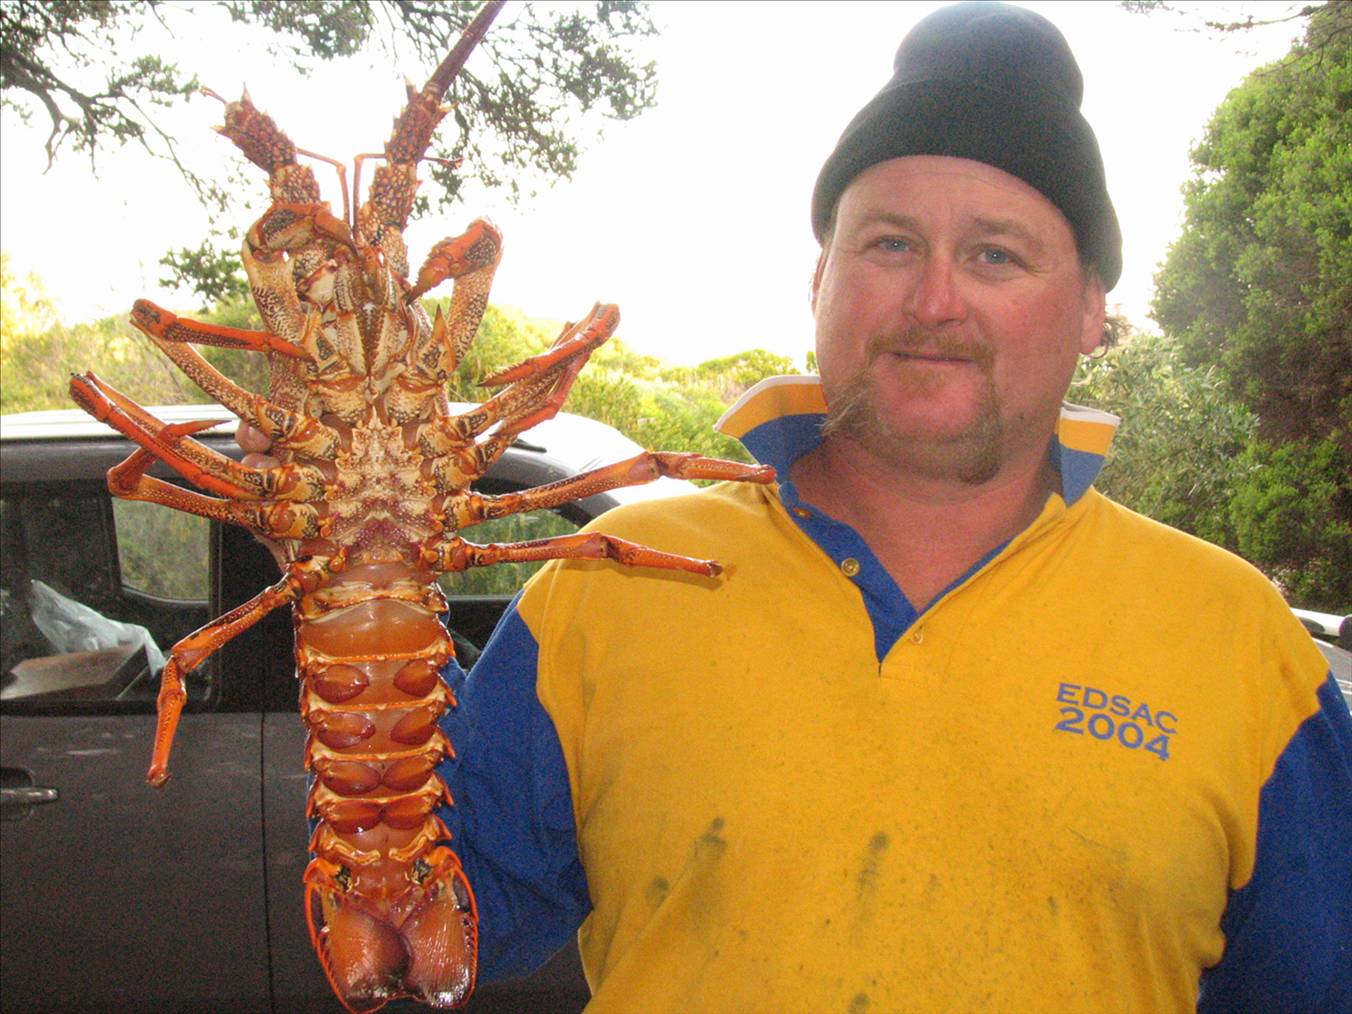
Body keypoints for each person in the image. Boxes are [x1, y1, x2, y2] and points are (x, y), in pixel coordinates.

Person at [241, 3, 1351, 1009]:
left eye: (996, 255)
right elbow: (416, 933)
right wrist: (346, 562)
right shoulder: (605, 579)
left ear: (1092, 310)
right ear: (818, 281)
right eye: (889, 243)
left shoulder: (1240, 642)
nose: (934, 299)